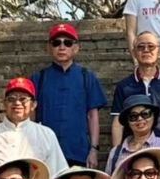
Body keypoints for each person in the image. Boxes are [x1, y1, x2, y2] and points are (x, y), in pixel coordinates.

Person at [32, 22, 108, 168]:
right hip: (46, 153)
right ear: (48, 48)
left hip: (78, 152)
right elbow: (31, 117)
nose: (62, 47)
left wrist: (93, 150)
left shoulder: (87, 77)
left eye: (67, 43)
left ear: (76, 48)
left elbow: (93, 116)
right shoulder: (39, 79)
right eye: (56, 43)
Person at [112, 31, 160, 147]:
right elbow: (118, 122)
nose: (146, 50)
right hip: (133, 147)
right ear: (134, 52)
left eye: (151, 46)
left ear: (159, 52)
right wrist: (116, 152)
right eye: (141, 47)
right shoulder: (124, 86)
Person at [108, 92, 160, 175]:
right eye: (133, 116)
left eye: (145, 114)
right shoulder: (116, 152)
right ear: (127, 121)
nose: (140, 119)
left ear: (154, 116)